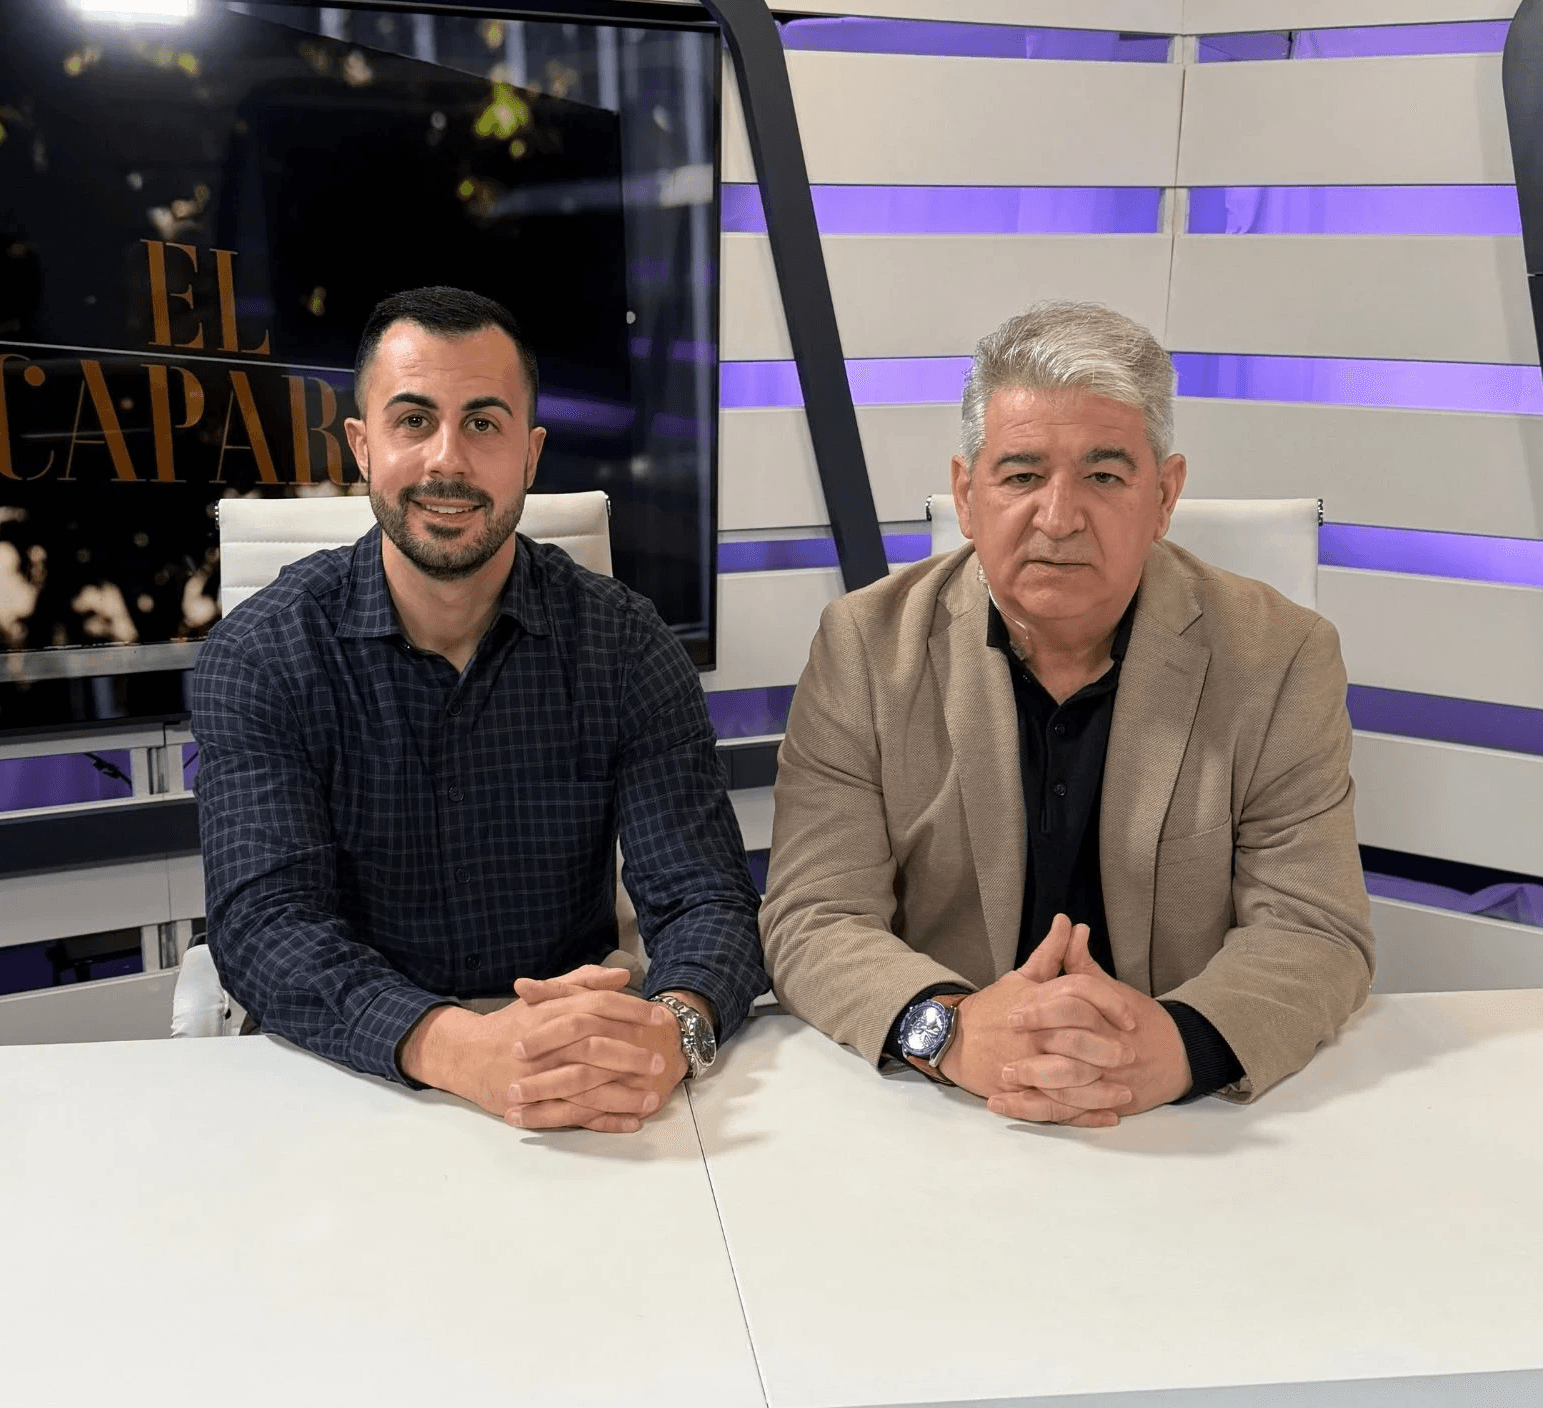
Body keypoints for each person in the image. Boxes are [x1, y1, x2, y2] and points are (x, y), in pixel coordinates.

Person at [760, 302, 1374, 1126]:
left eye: (1104, 475)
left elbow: (1314, 926)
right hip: (939, 1111)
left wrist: (1178, 1044)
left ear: (1164, 495)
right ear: (966, 494)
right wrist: (947, 1029)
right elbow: (813, 914)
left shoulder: (1280, 656)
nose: (1058, 517)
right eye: (1020, 476)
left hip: (1179, 1124)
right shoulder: (864, 647)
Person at [193, 286, 766, 1133]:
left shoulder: (625, 642)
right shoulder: (260, 653)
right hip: (347, 1078)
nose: (447, 462)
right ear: (362, 445)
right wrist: (460, 1048)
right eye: (413, 420)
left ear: (530, 455)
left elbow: (706, 900)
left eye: (484, 424)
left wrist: (669, 1028)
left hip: (573, 1068)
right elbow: (267, 927)